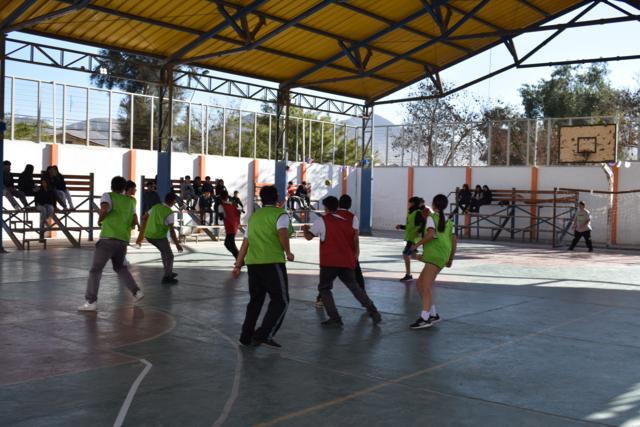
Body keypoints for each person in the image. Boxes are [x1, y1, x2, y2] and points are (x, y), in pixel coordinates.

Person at [303, 196, 381, 326]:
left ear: (326, 208)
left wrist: (305, 229)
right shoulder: (350, 219)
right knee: (355, 288)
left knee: (325, 288)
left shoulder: (322, 221)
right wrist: (356, 253)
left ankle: (335, 318)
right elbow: (355, 237)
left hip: (329, 262)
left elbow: (308, 237)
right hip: (346, 261)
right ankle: (373, 311)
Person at [232, 185, 294, 348]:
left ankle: (246, 336)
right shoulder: (280, 214)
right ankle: (264, 334)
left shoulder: (254, 217)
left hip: (253, 264)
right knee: (281, 301)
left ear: (261, 199)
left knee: (255, 301)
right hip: (272, 262)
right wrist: (288, 252)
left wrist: (238, 264)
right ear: (277, 198)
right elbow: (282, 233)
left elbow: (245, 243)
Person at [78, 176, 144, 312]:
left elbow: (104, 209)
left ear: (112, 186)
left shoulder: (107, 196)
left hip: (108, 239)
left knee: (96, 270)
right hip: (123, 240)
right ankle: (136, 292)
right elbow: (133, 221)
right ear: (124, 187)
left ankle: (91, 302)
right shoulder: (131, 201)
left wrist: (100, 220)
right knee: (120, 267)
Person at [409, 194, 457, 329]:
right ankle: (433, 314)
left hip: (435, 256)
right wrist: (450, 258)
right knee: (420, 284)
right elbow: (454, 240)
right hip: (441, 256)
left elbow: (431, 234)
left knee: (424, 287)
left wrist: (416, 246)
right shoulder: (449, 221)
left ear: (434, 205)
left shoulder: (431, 218)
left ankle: (425, 318)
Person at [314, 193, 366, 309]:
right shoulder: (353, 217)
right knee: (357, 277)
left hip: (332, 255)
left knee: (327, 280)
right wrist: (357, 252)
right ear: (350, 205)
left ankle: (320, 299)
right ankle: (365, 300)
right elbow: (355, 237)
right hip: (348, 254)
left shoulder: (331, 217)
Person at [137, 192, 183, 284]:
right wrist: (177, 244)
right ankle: (167, 277)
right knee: (170, 256)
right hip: (159, 236)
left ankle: (168, 271)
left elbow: (144, 217)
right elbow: (172, 231)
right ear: (173, 202)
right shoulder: (169, 213)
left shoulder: (155, 207)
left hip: (149, 235)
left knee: (164, 252)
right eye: (174, 201)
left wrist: (143, 230)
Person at [395, 196, 425, 282]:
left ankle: (408, 275)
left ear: (413, 203)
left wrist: (419, 231)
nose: (408, 204)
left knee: (405, 254)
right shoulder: (411, 213)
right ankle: (431, 262)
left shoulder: (418, 213)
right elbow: (410, 226)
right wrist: (401, 226)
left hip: (413, 239)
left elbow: (423, 224)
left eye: (410, 202)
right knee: (414, 256)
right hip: (410, 237)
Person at [218, 190, 241, 259]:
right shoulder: (232, 204)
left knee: (229, 244)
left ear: (220, 197)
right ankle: (238, 258)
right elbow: (238, 212)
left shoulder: (221, 205)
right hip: (235, 224)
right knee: (229, 243)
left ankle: (239, 258)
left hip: (229, 226)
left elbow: (221, 217)